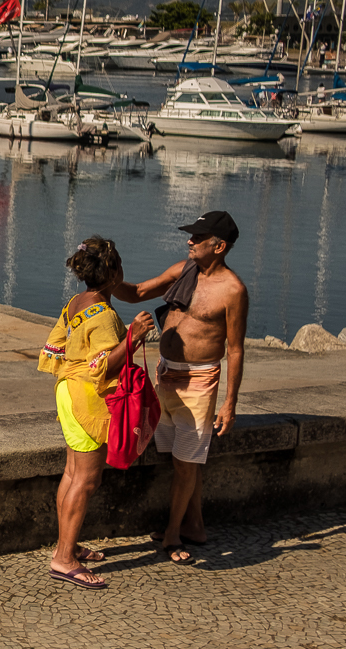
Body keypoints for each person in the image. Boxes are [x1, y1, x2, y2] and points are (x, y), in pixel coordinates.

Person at [113, 211, 249, 565]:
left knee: (186, 463)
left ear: (218, 246)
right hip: (165, 375)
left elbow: (235, 350)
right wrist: (105, 280)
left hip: (199, 382)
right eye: (190, 235)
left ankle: (172, 534)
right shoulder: (184, 270)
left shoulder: (233, 291)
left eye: (197, 237)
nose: (189, 240)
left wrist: (230, 404)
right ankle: (195, 525)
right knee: (183, 459)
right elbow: (139, 292)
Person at [39, 237, 153, 590]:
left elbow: (57, 345)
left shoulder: (78, 302)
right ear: (114, 272)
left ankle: (66, 546)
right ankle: (64, 560)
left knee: (73, 474)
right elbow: (101, 366)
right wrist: (133, 336)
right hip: (86, 398)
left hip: (67, 391)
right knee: (87, 480)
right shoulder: (103, 314)